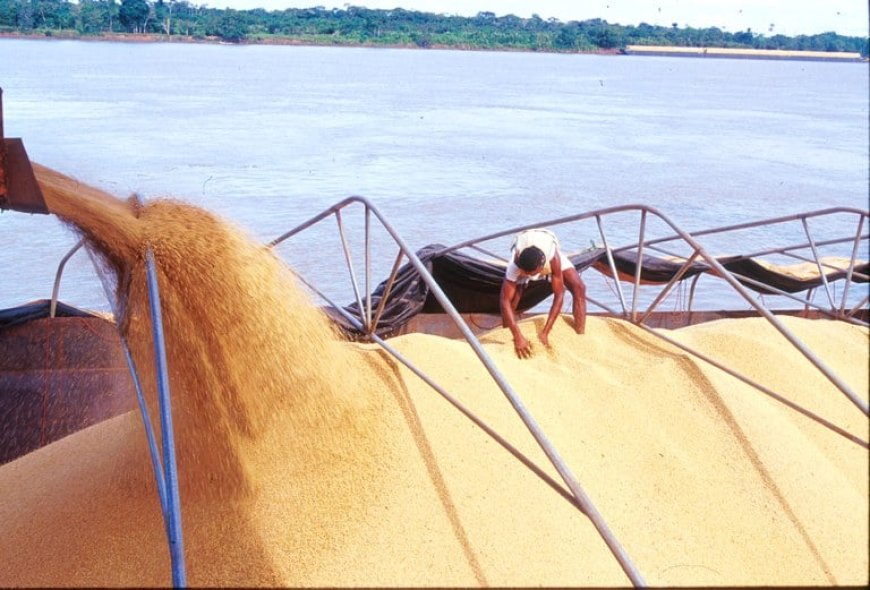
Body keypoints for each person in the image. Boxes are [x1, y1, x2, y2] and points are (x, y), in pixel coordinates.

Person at [500, 228, 586, 359]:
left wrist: (545, 332)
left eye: (533, 274)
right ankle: (506, 336)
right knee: (514, 297)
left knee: (579, 288)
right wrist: (518, 337)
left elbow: (559, 295)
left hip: (545, 244)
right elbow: (504, 301)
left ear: (541, 267)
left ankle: (580, 334)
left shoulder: (553, 258)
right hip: (523, 244)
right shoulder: (515, 264)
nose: (531, 277)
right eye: (526, 273)